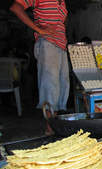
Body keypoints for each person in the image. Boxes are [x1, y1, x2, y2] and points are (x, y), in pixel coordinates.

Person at [10, 0, 70, 136]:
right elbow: (15, 7)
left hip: (61, 45)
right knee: (51, 86)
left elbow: (64, 19)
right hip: (48, 43)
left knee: (62, 86)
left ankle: (55, 125)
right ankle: (50, 128)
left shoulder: (62, 1)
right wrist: (40, 30)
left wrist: (61, 30)